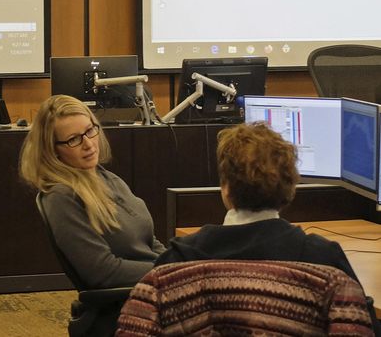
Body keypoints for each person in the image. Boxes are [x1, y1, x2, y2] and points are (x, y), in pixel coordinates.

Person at [155, 122, 380, 331]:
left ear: (225, 189)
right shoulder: (324, 259)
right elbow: (365, 325)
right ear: (291, 188)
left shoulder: (177, 261)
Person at [20, 94, 166, 289]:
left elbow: (148, 241)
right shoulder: (62, 197)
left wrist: (178, 264)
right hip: (129, 300)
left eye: (90, 131)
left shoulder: (108, 178)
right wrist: (168, 271)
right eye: (73, 140)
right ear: (53, 150)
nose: (88, 144)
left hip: (156, 285)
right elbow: (102, 271)